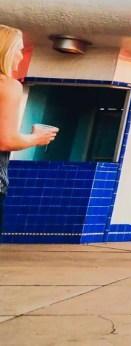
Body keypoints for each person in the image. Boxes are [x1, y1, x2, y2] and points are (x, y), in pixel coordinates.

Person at [0, 26, 59, 231]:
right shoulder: (8, 86)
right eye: (18, 49)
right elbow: (6, 140)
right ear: (5, 51)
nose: (20, 55)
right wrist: (37, 138)